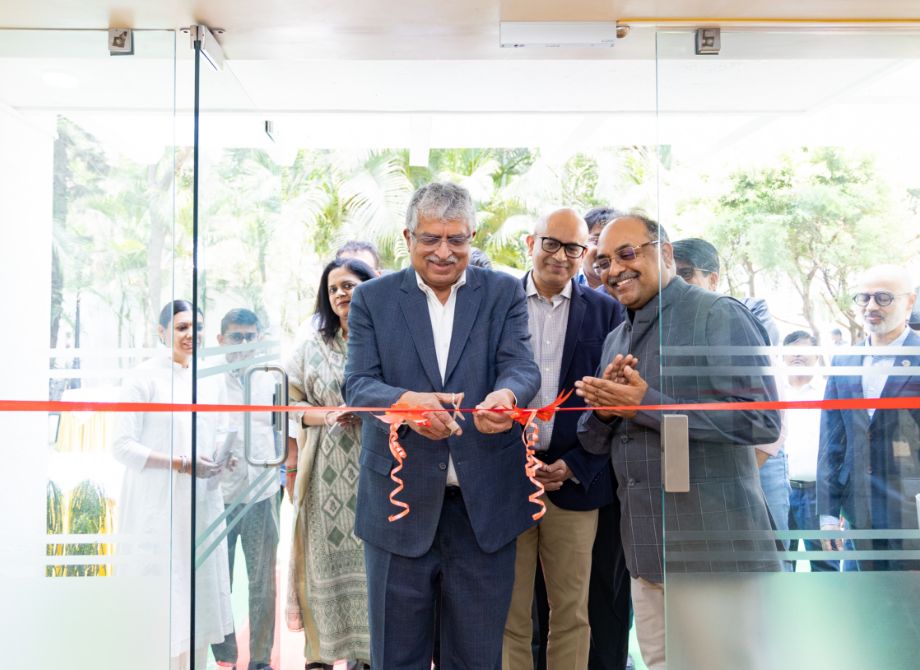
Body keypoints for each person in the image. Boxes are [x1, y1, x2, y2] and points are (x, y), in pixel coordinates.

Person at [344, 181, 541, 668]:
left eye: (457, 239)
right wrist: (408, 403)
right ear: (407, 237)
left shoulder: (503, 292)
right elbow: (358, 386)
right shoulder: (372, 298)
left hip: (483, 511)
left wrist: (508, 395)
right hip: (398, 506)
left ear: (473, 237)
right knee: (397, 655)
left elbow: (523, 367)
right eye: (431, 238)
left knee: (475, 656)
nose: (444, 251)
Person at [575, 214, 781, 670]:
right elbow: (593, 441)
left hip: (712, 550)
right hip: (647, 554)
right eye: (604, 260)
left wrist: (645, 403)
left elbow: (761, 420)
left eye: (628, 254)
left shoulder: (717, 314)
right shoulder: (616, 338)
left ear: (665, 253)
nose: (614, 269)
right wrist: (605, 411)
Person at [502, 209, 627, 670]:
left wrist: (577, 462)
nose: (561, 256)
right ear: (529, 243)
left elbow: (614, 402)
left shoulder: (607, 311)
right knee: (512, 614)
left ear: (584, 255)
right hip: (508, 477)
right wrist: (514, 460)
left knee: (573, 612)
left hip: (577, 480)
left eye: (573, 248)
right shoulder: (499, 303)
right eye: (551, 244)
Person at [112, 300, 233, 670]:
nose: (190, 335)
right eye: (181, 327)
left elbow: (221, 431)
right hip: (158, 506)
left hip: (200, 505)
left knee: (197, 608)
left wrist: (222, 458)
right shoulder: (142, 377)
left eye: (196, 326)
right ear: (161, 332)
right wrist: (181, 465)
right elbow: (122, 446)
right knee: (163, 605)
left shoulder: (210, 379)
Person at [671, 237, 790, 560]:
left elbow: (770, 420)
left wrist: (735, 474)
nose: (677, 285)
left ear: (713, 278)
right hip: (702, 482)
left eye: (685, 274)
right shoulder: (672, 333)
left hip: (754, 469)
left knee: (764, 572)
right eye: (671, 274)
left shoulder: (731, 320)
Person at [285, 258, 377, 669]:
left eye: (351, 285)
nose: (342, 293)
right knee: (324, 573)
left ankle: (369, 658)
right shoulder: (310, 345)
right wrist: (327, 415)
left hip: (377, 472)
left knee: (375, 572)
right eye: (334, 288)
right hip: (325, 478)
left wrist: (370, 411)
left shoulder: (386, 339)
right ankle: (323, 658)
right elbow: (290, 403)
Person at [818, 264, 920, 571]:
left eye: (883, 297)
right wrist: (827, 511)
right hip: (858, 512)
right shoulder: (844, 361)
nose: (871, 306)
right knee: (865, 608)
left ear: (910, 301)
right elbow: (832, 440)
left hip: (911, 511)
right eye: (863, 298)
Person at [211, 308, 280, 670]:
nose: (243, 344)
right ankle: (224, 657)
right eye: (236, 337)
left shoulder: (270, 378)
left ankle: (261, 660)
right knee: (220, 580)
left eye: (250, 337)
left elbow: (282, 427)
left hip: (262, 492)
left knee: (262, 581)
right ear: (221, 341)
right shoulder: (207, 382)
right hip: (218, 495)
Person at [781, 330, 837, 573]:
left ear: (816, 356)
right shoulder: (774, 392)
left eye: (803, 352)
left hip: (819, 495)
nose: (797, 357)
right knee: (781, 566)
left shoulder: (828, 391)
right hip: (781, 492)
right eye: (792, 352)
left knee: (826, 565)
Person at [581, 207, 625, 290]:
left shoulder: (629, 286)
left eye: (614, 242)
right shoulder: (565, 283)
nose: (604, 251)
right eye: (598, 241)